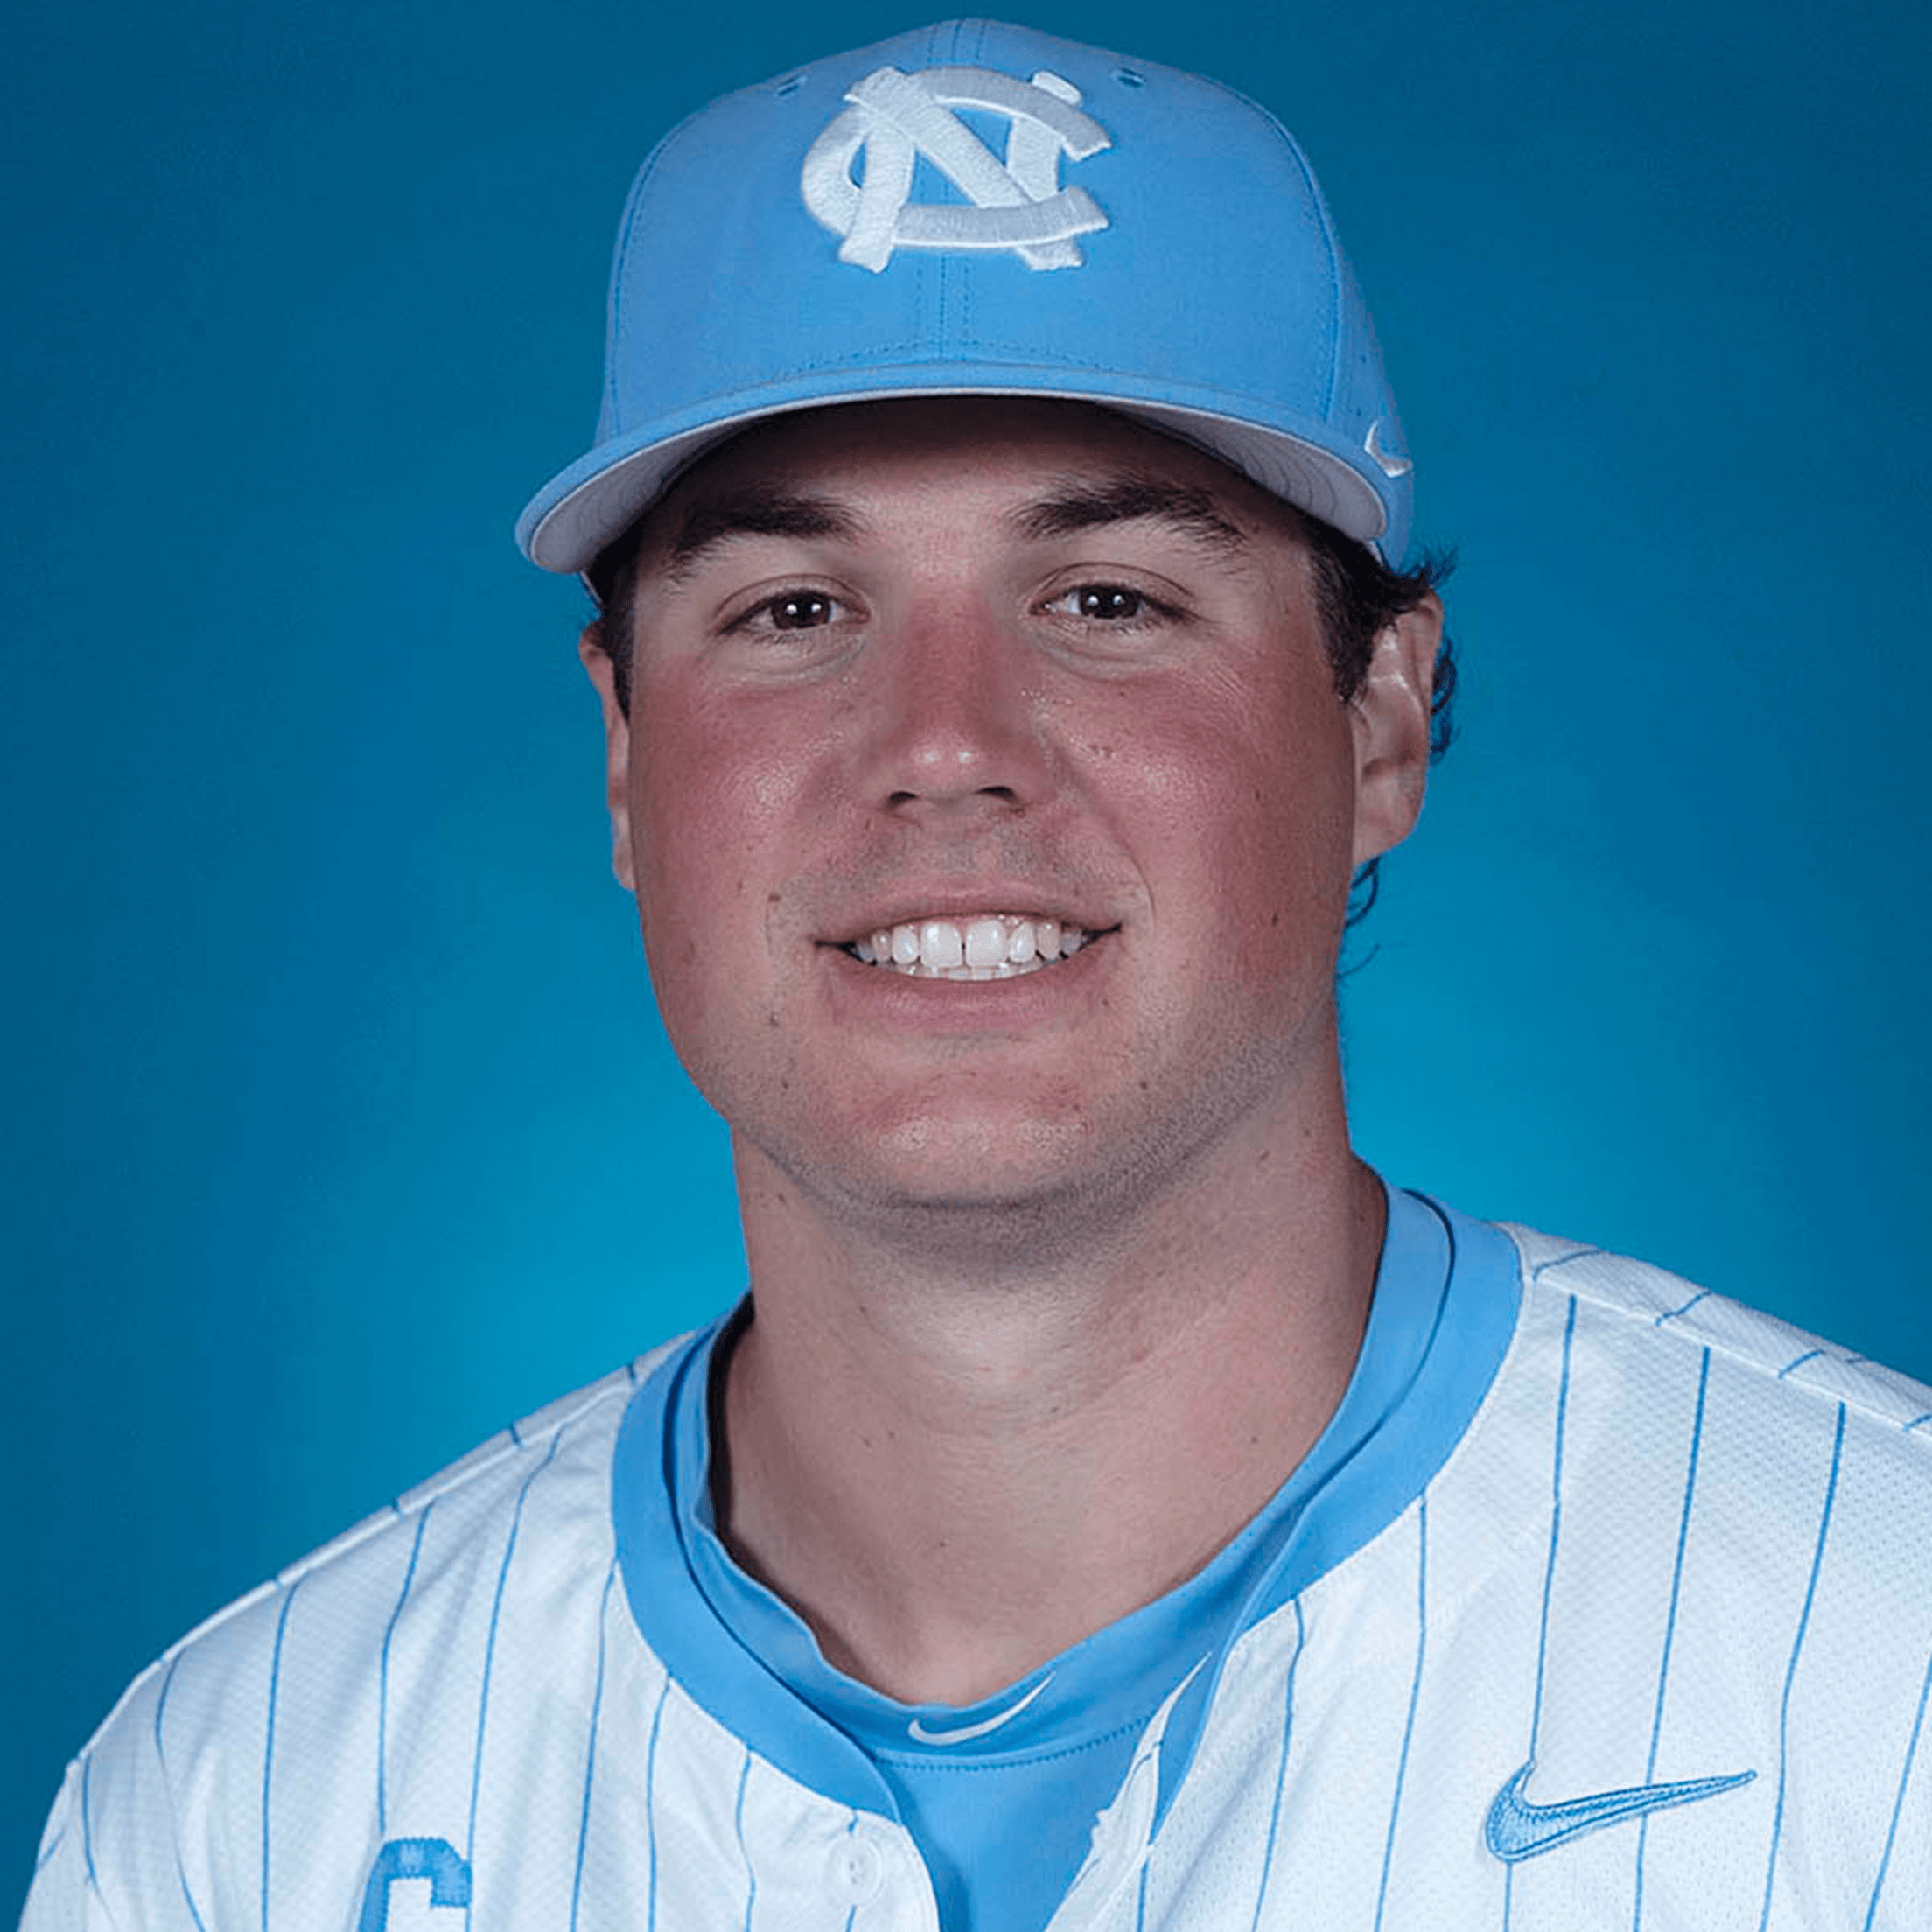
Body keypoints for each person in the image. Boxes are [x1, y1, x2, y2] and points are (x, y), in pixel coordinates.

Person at [21, 19, 1932, 1931]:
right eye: (794, 609)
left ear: (1380, 723)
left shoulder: (1885, 1667)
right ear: (623, 756)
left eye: (1107, 601)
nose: (945, 743)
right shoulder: (236, 1815)